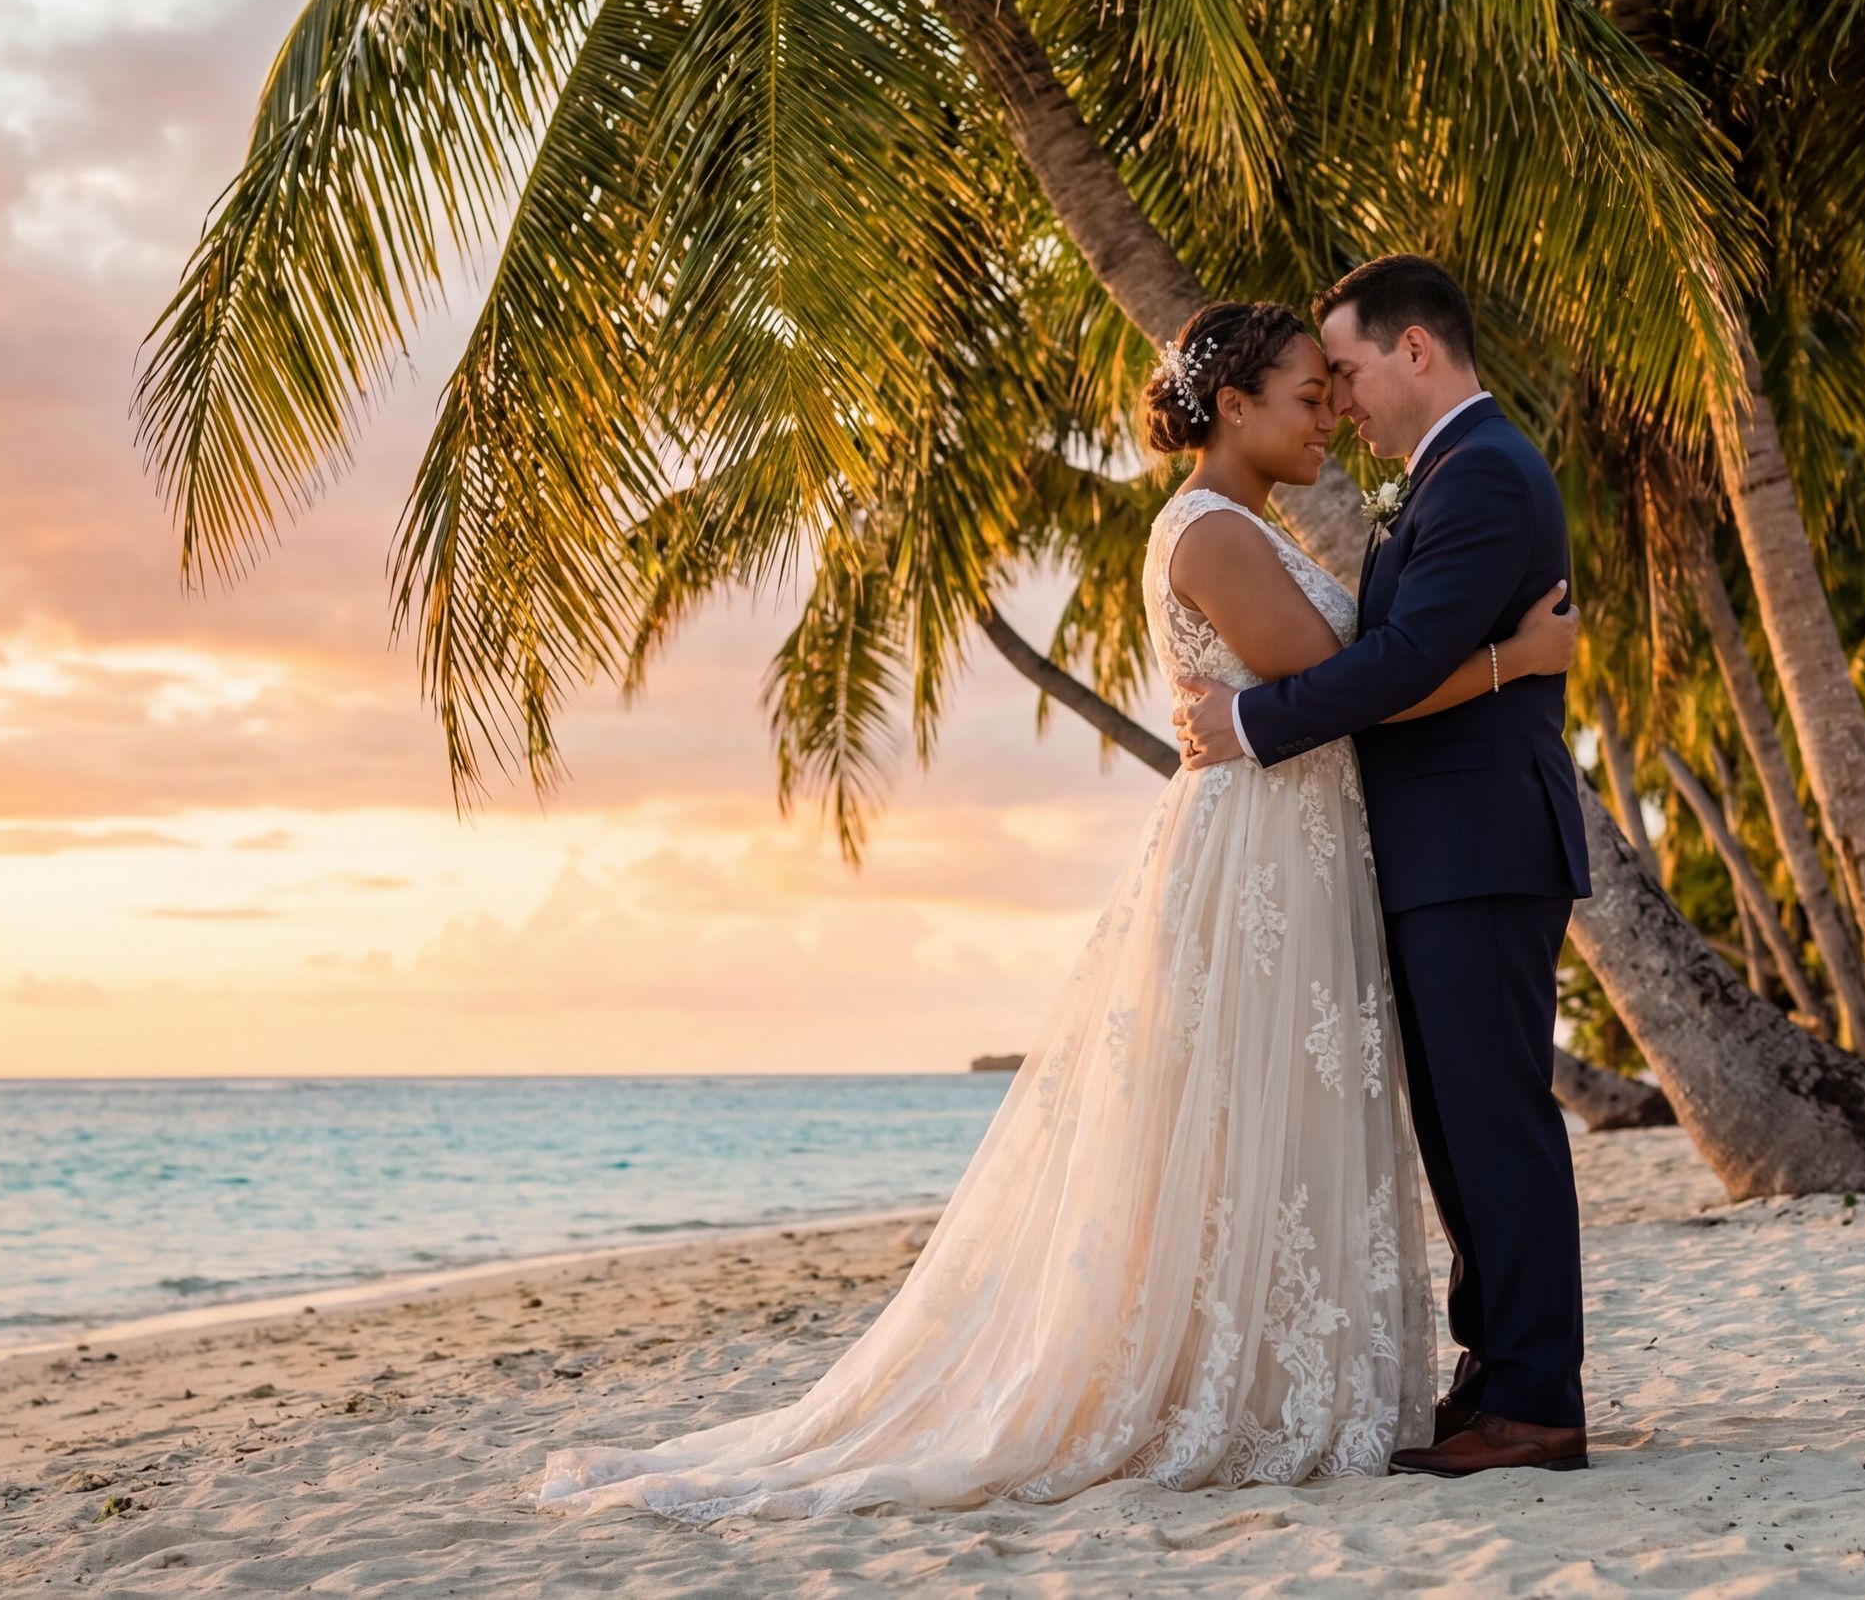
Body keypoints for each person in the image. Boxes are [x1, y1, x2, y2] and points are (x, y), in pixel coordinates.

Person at [537, 297, 1576, 1518]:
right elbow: (1363, 677)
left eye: (1337, 383)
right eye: (1311, 394)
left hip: (1352, 844)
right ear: (1232, 406)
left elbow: (1368, 674)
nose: (1333, 414)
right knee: (1329, 1122)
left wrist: (1460, 674)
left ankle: (1506, 1391)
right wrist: (1512, 661)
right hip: (1270, 846)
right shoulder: (1219, 532)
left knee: (1423, 1120)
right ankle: (1458, 1382)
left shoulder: (1385, 491)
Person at [1175, 254, 1592, 1478]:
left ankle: (1536, 1401)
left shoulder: (1487, 473)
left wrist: (1250, 724)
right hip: (1442, 849)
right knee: (1461, 1132)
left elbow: (1402, 660)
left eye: (1347, 371)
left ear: (1416, 349)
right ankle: (1494, 1377)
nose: (1342, 401)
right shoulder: (1451, 476)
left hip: (1479, 845)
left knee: (1496, 1125)